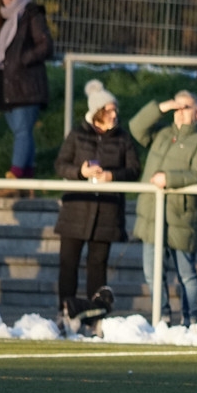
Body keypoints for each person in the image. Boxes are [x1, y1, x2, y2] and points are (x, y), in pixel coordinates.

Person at [53, 80, 140, 320]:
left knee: (97, 266)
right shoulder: (77, 134)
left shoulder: (123, 138)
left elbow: (134, 169)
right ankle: (65, 312)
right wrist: (80, 172)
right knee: (68, 264)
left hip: (107, 213)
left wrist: (112, 176)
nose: (114, 114)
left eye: (115, 110)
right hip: (75, 210)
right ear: (97, 112)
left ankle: (95, 315)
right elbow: (60, 165)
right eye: (109, 110)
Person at [129, 90, 197, 326]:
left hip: (181, 217)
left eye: (185, 107)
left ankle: (192, 320)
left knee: (186, 274)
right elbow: (136, 127)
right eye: (176, 108)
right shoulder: (163, 134)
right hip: (152, 215)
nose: (179, 112)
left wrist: (169, 179)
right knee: (152, 273)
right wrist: (162, 107)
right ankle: (162, 318)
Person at [0, 0, 53, 194]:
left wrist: (23, 59)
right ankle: (28, 180)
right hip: (6, 85)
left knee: (22, 132)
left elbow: (45, 45)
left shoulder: (31, 14)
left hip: (27, 84)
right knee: (22, 133)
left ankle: (14, 177)